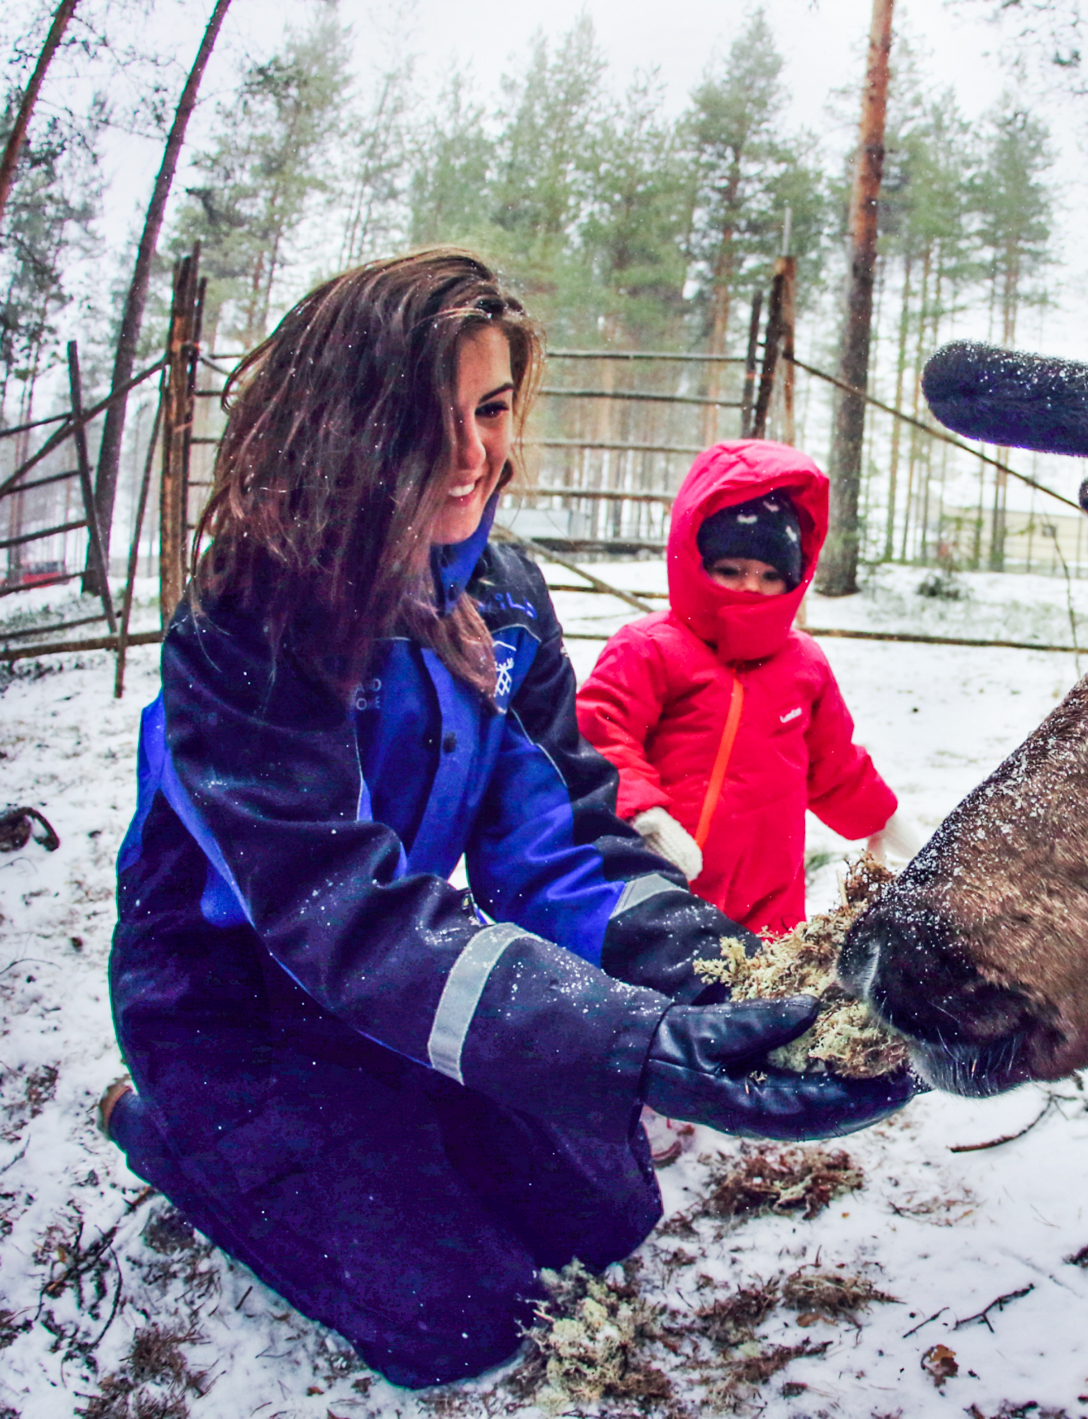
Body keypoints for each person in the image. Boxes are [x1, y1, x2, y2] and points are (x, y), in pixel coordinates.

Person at [100, 251, 915, 1389]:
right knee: (453, 1325)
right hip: (238, 1003)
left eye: (491, 410)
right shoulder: (247, 627)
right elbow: (341, 914)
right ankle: (173, 1133)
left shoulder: (504, 600)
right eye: (426, 421)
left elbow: (562, 845)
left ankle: (383, 1122)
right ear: (338, 429)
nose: (473, 455)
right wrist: (626, 1044)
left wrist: (720, 975)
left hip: (403, 987)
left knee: (608, 1215)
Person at [575, 440, 910, 940]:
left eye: (769, 575)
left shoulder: (803, 666)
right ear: (696, 562)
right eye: (731, 571)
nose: (751, 587)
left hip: (768, 909)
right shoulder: (651, 648)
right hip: (661, 884)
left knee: (754, 1004)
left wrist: (886, 821)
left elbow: (833, 766)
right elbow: (602, 733)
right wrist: (643, 814)